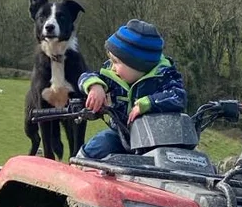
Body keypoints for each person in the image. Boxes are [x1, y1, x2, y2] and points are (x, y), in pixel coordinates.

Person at [76, 20, 187, 160]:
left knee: (172, 160)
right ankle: (78, 167)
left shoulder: (165, 76)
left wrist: (148, 103)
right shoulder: (112, 75)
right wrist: (95, 86)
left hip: (158, 141)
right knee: (96, 147)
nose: (113, 67)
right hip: (120, 134)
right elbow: (86, 76)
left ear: (138, 65)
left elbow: (178, 96)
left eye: (116, 62)